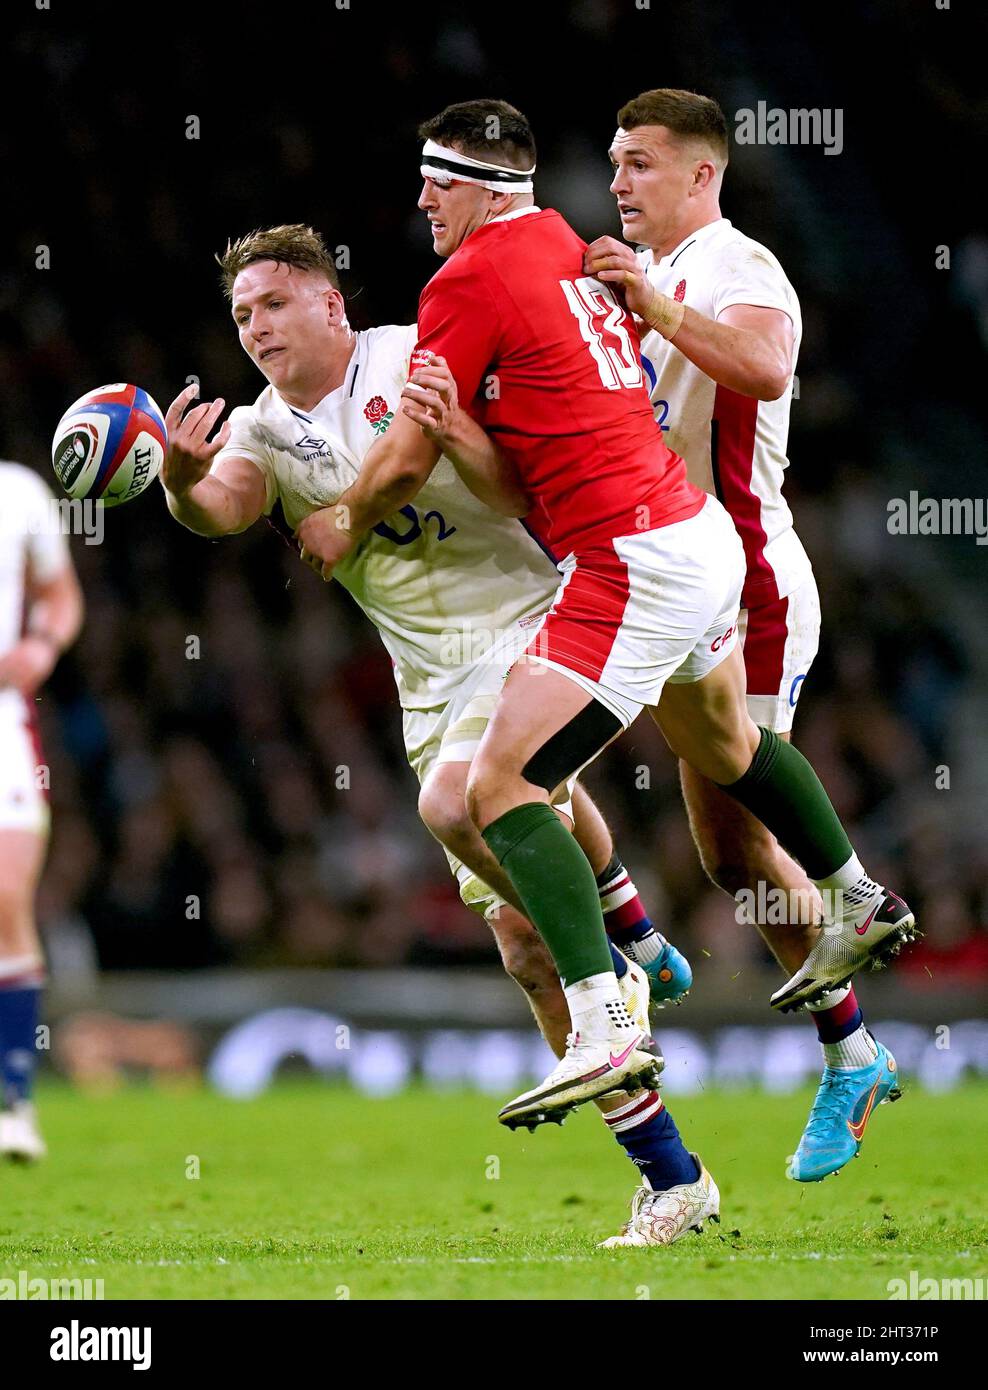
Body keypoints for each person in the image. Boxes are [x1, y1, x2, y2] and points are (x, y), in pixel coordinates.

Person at [294, 101, 917, 1144]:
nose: (419, 201)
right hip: (690, 538)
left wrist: (347, 513)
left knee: (496, 786)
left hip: (671, 556)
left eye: (434, 182)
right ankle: (849, 916)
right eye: (615, 162)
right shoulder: (570, 251)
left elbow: (762, 371)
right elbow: (520, 464)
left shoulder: (700, 268)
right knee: (727, 782)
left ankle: (605, 1012)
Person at [160, 224, 716, 1247]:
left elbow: (523, 493)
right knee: (521, 941)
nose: (256, 329)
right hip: (426, 678)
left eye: (274, 304)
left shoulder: (421, 353)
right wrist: (182, 481)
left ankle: (628, 959)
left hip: (526, 623)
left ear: (331, 303)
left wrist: (458, 434)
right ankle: (672, 1173)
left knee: (459, 798)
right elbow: (227, 511)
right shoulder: (259, 429)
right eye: (242, 315)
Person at [581, 87, 902, 1181]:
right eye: (614, 163)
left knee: (736, 823)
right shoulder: (643, 278)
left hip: (751, 577)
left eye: (637, 163)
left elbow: (766, 371)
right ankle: (851, 1047)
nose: (617, 181)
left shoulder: (736, 267)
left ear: (699, 174)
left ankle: (854, 936)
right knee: (725, 852)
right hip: (679, 581)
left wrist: (651, 311)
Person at [0, 463, 84, 1160]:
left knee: (5, 899)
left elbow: (61, 597)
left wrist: (43, 643)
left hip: (3, 722)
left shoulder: (19, 492)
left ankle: (14, 1102)